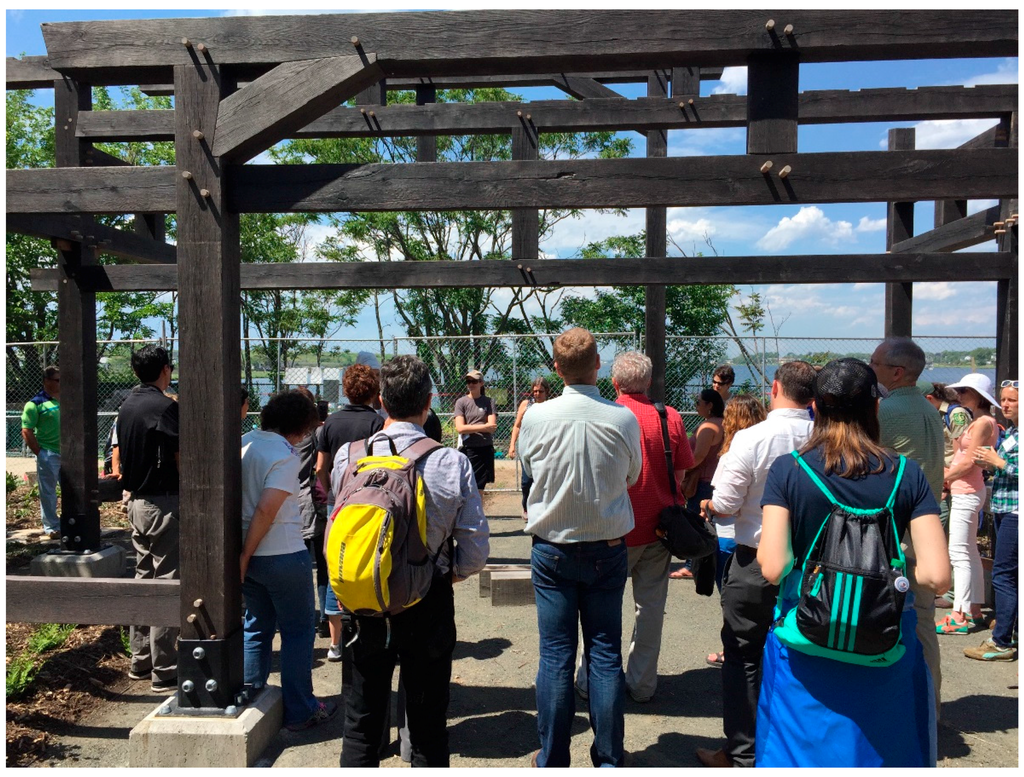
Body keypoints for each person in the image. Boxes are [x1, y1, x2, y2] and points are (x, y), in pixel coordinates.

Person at [756, 358, 949, 767]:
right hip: (886, 642)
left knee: (796, 754)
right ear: (875, 407)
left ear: (815, 408)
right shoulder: (907, 474)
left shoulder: (789, 470)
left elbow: (773, 567)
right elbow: (936, 576)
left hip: (806, 638)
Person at [331, 355, 489, 767]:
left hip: (364, 599)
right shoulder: (449, 461)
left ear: (381, 401)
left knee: (361, 723)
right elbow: (475, 551)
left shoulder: (348, 457)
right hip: (427, 600)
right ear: (429, 401)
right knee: (427, 726)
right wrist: (448, 574)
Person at [518, 328, 642, 768]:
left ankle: (553, 758)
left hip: (552, 548)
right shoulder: (622, 418)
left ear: (557, 368)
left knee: (555, 654)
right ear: (598, 365)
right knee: (605, 653)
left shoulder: (536, 417)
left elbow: (528, 468)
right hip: (607, 547)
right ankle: (608, 757)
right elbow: (632, 476)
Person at [696, 360, 816, 768]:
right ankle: (792, 746)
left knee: (743, 656)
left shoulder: (751, 438)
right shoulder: (824, 438)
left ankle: (742, 752)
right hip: (813, 565)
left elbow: (727, 504)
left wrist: (710, 505)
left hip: (754, 558)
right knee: (803, 653)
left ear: (775, 388)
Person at [575, 352, 693, 704]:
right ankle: (642, 684)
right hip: (660, 529)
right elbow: (680, 476)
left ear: (614, 383)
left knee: (600, 609)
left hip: (613, 529)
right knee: (650, 608)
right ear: (649, 381)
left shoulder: (605, 415)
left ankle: (590, 680)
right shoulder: (669, 417)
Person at [241, 390, 338, 731]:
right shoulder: (283, 455)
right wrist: (246, 554)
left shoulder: (244, 443)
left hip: (251, 557)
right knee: (298, 632)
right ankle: (300, 709)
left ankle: (252, 697)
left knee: (256, 626)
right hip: (281, 552)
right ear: (298, 429)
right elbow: (267, 509)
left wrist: (244, 555)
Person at [869, 338, 945, 717]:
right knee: (924, 620)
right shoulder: (930, 409)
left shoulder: (886, 411)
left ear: (897, 372)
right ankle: (930, 706)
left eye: (875, 365)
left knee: (892, 618)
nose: (871, 370)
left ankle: (898, 709)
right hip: (931, 527)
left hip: (898, 533)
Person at [115, 345, 180, 694]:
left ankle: (140, 660)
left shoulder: (127, 405)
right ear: (166, 369)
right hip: (164, 502)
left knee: (143, 578)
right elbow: (180, 455)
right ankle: (165, 667)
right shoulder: (166, 407)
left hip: (137, 502)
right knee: (167, 580)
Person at [315, 364, 385, 660]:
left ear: (346, 390)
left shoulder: (330, 423)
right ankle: (369, 634)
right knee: (367, 561)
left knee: (337, 564)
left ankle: (335, 644)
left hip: (337, 503)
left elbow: (320, 467)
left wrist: (333, 490)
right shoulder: (378, 423)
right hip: (368, 502)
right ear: (374, 391)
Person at [702, 393, 766, 667]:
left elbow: (725, 505)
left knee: (732, 602)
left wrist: (706, 505)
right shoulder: (771, 449)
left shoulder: (733, 455)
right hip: (767, 536)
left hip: (732, 537)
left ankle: (733, 650)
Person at [938, 373, 999, 635]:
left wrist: (943, 478)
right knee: (969, 552)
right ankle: (973, 607)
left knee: (959, 553)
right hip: (967, 488)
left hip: (966, 490)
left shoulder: (983, 422)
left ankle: (959, 615)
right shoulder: (980, 420)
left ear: (978, 396)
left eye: (964, 391)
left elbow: (968, 462)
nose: (959, 395)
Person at [966, 379, 1018, 661]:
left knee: (1003, 575)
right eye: (1004, 399)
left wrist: (999, 463)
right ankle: (1010, 632)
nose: (1005, 405)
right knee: (1009, 574)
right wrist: (992, 465)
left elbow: (1012, 468)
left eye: (1012, 400)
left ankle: (1001, 642)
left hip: (1015, 512)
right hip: (1004, 508)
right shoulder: (1013, 432)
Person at [669, 388, 724, 581]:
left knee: (695, 524)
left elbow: (698, 456)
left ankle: (691, 565)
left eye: (698, 402)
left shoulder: (708, 427)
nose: (696, 406)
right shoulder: (722, 423)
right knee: (709, 524)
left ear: (710, 405)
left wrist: (681, 469)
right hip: (713, 479)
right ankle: (702, 564)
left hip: (702, 481)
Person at [21, 366, 61, 539]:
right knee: (48, 492)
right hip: (49, 453)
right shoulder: (34, 404)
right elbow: (26, 430)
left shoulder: (68, 399)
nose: (61, 383)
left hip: (70, 454)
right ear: (46, 381)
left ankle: (71, 523)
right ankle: (52, 526)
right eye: (57, 380)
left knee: (73, 490)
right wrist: (40, 453)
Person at [508, 376, 552, 518]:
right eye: (535, 391)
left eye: (540, 391)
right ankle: (526, 506)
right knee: (527, 481)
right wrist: (512, 445)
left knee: (542, 480)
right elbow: (517, 426)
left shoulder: (551, 406)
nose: (537, 394)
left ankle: (541, 509)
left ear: (547, 392)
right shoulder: (526, 405)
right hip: (527, 447)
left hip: (544, 448)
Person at [454, 369, 498, 491]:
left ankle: (479, 504)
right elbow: (460, 428)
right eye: (468, 381)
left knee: (480, 487)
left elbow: (492, 427)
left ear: (481, 383)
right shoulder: (461, 402)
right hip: (469, 448)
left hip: (485, 448)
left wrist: (470, 428)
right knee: (467, 486)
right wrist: (483, 427)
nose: (471, 384)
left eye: (474, 381)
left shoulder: (489, 402)